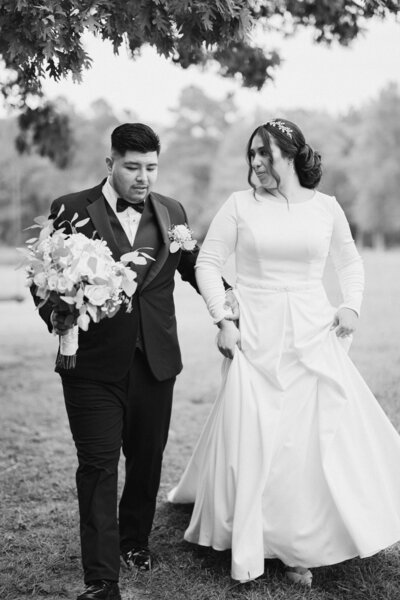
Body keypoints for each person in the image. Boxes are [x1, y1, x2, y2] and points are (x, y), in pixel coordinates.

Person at [169, 118, 400, 587]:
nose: (255, 162)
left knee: (306, 437)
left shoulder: (326, 208)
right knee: (259, 432)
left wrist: (350, 305)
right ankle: (257, 533)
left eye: (265, 154)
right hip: (255, 333)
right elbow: (209, 264)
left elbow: (349, 262)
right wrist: (225, 321)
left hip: (314, 332)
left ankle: (300, 542)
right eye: (251, 154)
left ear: (292, 157)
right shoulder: (239, 206)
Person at [32, 123, 237, 600]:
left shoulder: (172, 213)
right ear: (110, 163)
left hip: (156, 360)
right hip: (91, 367)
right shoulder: (70, 209)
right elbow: (44, 280)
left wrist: (231, 304)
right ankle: (102, 579)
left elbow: (195, 268)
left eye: (151, 168)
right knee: (98, 466)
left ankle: (134, 542)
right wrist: (58, 316)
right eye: (132, 167)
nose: (143, 178)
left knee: (146, 462)